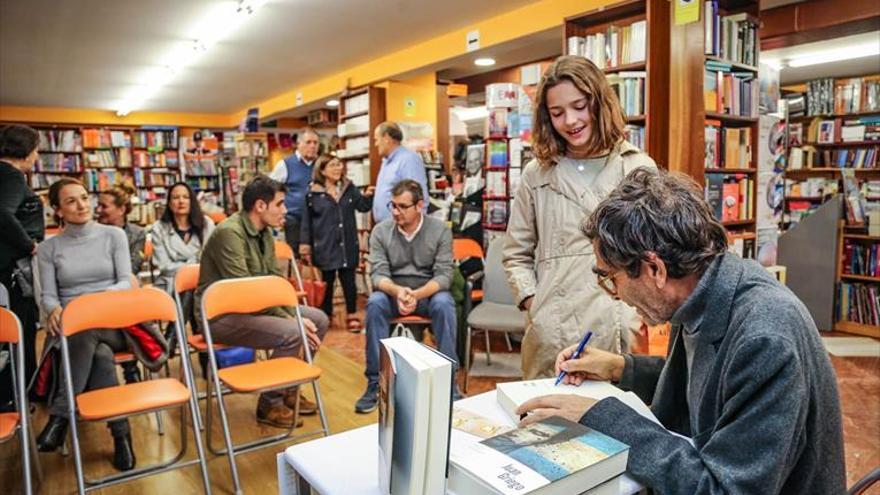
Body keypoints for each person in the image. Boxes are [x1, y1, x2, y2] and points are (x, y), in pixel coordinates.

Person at [517, 169, 846, 494]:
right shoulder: (702, 290)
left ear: (655, 269)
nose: (613, 294)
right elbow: (713, 381)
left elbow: (723, 489)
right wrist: (619, 368)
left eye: (610, 278)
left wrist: (604, 419)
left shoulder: (765, 338)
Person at [503, 55, 657, 379]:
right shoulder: (537, 174)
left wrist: (637, 311)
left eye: (579, 106)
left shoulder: (636, 166)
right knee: (546, 423)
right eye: (557, 113)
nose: (570, 121)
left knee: (614, 421)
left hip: (616, 323)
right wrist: (535, 305)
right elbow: (515, 252)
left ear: (599, 102)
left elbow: (654, 251)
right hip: (552, 326)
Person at [36, 178, 168, 472]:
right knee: (99, 355)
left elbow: (125, 280)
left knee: (90, 328)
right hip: (74, 330)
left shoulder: (113, 236)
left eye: (84, 197)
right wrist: (53, 307)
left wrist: (93, 303)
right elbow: (47, 294)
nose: (82, 205)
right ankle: (122, 437)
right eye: (71, 201)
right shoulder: (48, 249)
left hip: (117, 322)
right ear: (57, 209)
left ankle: (60, 417)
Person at [196, 175, 330, 428]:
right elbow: (246, 292)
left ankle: (289, 387)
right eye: (280, 204)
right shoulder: (229, 233)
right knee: (293, 331)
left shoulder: (264, 232)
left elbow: (274, 282)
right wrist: (291, 318)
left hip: (252, 310)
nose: (285, 210)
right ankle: (270, 402)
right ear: (260, 206)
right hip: (220, 317)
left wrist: (294, 313)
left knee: (318, 319)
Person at [355, 179, 458, 413]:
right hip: (394, 293)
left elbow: (444, 276)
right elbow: (378, 275)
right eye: (393, 205)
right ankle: (375, 382)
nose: (396, 212)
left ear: (419, 205)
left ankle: (449, 382)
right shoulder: (381, 231)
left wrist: (417, 295)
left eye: (402, 206)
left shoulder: (440, 230)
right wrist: (399, 292)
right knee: (375, 302)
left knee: (444, 303)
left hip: (427, 293)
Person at [299, 155, 374, 330]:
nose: (338, 168)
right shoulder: (313, 193)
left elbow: (362, 206)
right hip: (324, 245)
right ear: (322, 170)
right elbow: (306, 222)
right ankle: (325, 315)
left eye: (339, 164)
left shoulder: (349, 188)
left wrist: (369, 196)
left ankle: (352, 315)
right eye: (333, 165)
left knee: (349, 281)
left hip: (347, 244)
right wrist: (305, 247)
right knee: (327, 281)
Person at [0, 124, 44, 412]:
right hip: (12, 271)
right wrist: (30, 245)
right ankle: (19, 394)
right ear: (26, 150)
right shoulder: (12, 176)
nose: (37, 155)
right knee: (20, 329)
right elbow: (2, 213)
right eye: (36, 149)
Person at [149, 182, 215, 331]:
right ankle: (204, 345)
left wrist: (186, 268)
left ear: (192, 201)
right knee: (191, 290)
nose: (181, 201)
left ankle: (171, 338)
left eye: (186, 197)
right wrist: (193, 265)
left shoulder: (207, 225)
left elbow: (210, 260)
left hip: (202, 281)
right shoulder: (159, 228)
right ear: (169, 202)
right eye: (175, 197)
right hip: (169, 283)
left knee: (193, 289)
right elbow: (164, 266)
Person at [269, 128, 320, 255]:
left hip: (317, 217)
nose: (313, 146)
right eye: (308, 142)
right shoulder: (285, 164)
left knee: (319, 255)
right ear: (299, 144)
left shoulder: (321, 164)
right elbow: (270, 189)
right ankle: (299, 275)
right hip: (294, 218)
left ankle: (316, 276)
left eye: (315, 143)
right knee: (297, 255)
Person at [371, 122, 429, 223]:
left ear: (386, 138)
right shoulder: (386, 162)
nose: (376, 144)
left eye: (376, 140)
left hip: (402, 229)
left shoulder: (408, 160)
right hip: (385, 229)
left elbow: (418, 196)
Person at [96, 182, 145, 276]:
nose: (98, 210)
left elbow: (132, 268)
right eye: (98, 205)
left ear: (121, 210)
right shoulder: (92, 233)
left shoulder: (137, 234)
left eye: (104, 206)